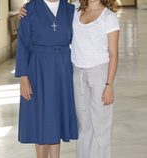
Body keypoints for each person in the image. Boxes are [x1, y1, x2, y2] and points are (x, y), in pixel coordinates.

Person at [19, 0, 120, 158]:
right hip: (55, 72)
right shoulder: (40, 9)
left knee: (90, 124)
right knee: (75, 125)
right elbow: (23, 43)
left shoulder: (79, 11)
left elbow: (112, 53)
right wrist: (23, 76)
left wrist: (109, 84)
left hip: (74, 72)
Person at [15, 0, 78, 158]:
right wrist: (23, 77)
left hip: (62, 70)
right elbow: (22, 44)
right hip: (38, 71)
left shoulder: (70, 9)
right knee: (41, 119)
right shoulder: (29, 9)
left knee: (56, 118)